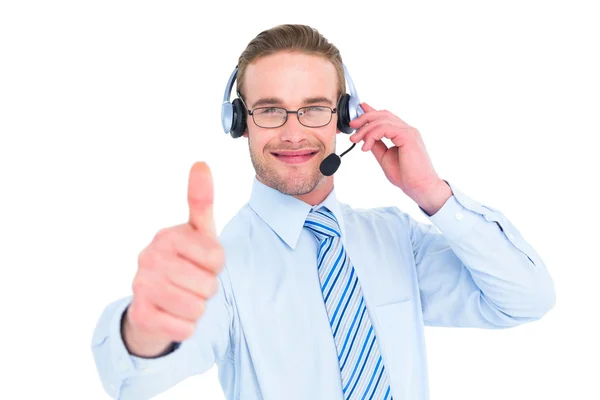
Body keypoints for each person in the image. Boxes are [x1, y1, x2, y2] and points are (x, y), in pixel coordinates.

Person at [91, 24, 556, 400]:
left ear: (345, 116)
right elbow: (131, 380)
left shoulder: (396, 238)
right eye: (270, 110)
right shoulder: (221, 265)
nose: (293, 133)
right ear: (239, 123)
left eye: (313, 109)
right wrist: (144, 328)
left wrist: (433, 193)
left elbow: (525, 299)